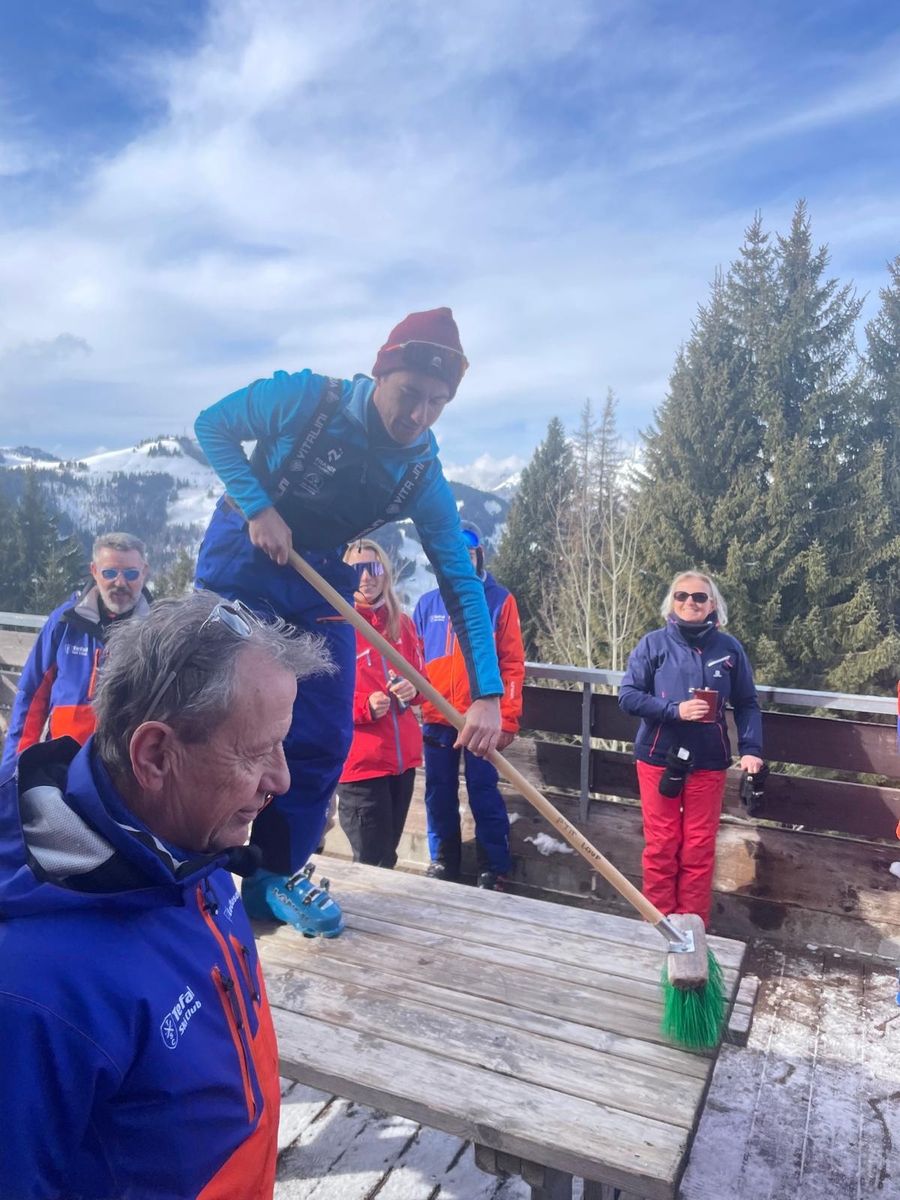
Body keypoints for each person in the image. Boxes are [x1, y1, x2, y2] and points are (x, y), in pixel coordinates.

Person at [0, 591, 336, 1199]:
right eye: (257, 751)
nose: (282, 779)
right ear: (155, 755)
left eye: (281, 744)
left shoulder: (190, 842)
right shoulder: (34, 989)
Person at [193, 307, 505, 932]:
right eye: (410, 393)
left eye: (437, 402)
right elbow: (213, 424)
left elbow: (460, 581)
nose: (418, 415)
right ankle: (188, 863)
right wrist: (257, 506)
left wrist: (488, 694)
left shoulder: (422, 474)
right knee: (216, 715)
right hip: (244, 559)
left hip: (319, 580)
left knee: (324, 734)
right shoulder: (308, 398)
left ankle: (272, 876)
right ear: (380, 374)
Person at [618, 571, 764, 927]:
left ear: (712, 605)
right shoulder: (653, 644)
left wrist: (751, 748)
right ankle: (658, 926)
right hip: (658, 758)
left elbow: (747, 703)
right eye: (681, 596)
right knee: (661, 845)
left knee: (699, 848)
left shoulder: (729, 648)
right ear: (672, 602)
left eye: (699, 597)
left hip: (709, 761)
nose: (690, 602)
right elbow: (628, 696)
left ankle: (693, 929)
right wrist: (675, 710)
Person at [413, 522, 525, 889]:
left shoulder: (499, 600)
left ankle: (494, 867)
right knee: (438, 791)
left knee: (483, 790)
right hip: (438, 716)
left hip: (482, 718)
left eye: (469, 552)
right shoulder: (428, 603)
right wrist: (415, 695)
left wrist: (508, 717)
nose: (461, 558)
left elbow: (512, 664)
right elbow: (414, 660)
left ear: (480, 556)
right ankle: (444, 860)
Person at [0, 531, 152, 773]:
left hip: (127, 774)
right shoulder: (65, 622)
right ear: (94, 571)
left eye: (131, 574)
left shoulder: (158, 632)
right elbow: (32, 697)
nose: (120, 583)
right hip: (63, 766)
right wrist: (13, 773)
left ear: (144, 571)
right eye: (110, 573)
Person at [337, 539, 426, 868]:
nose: (366, 577)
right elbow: (322, 699)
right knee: (372, 862)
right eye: (357, 569)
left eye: (373, 568)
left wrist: (413, 689)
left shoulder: (402, 624)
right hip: (362, 765)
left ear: (385, 572)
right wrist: (364, 706)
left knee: (387, 857)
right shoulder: (337, 625)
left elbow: (424, 682)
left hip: (402, 764)